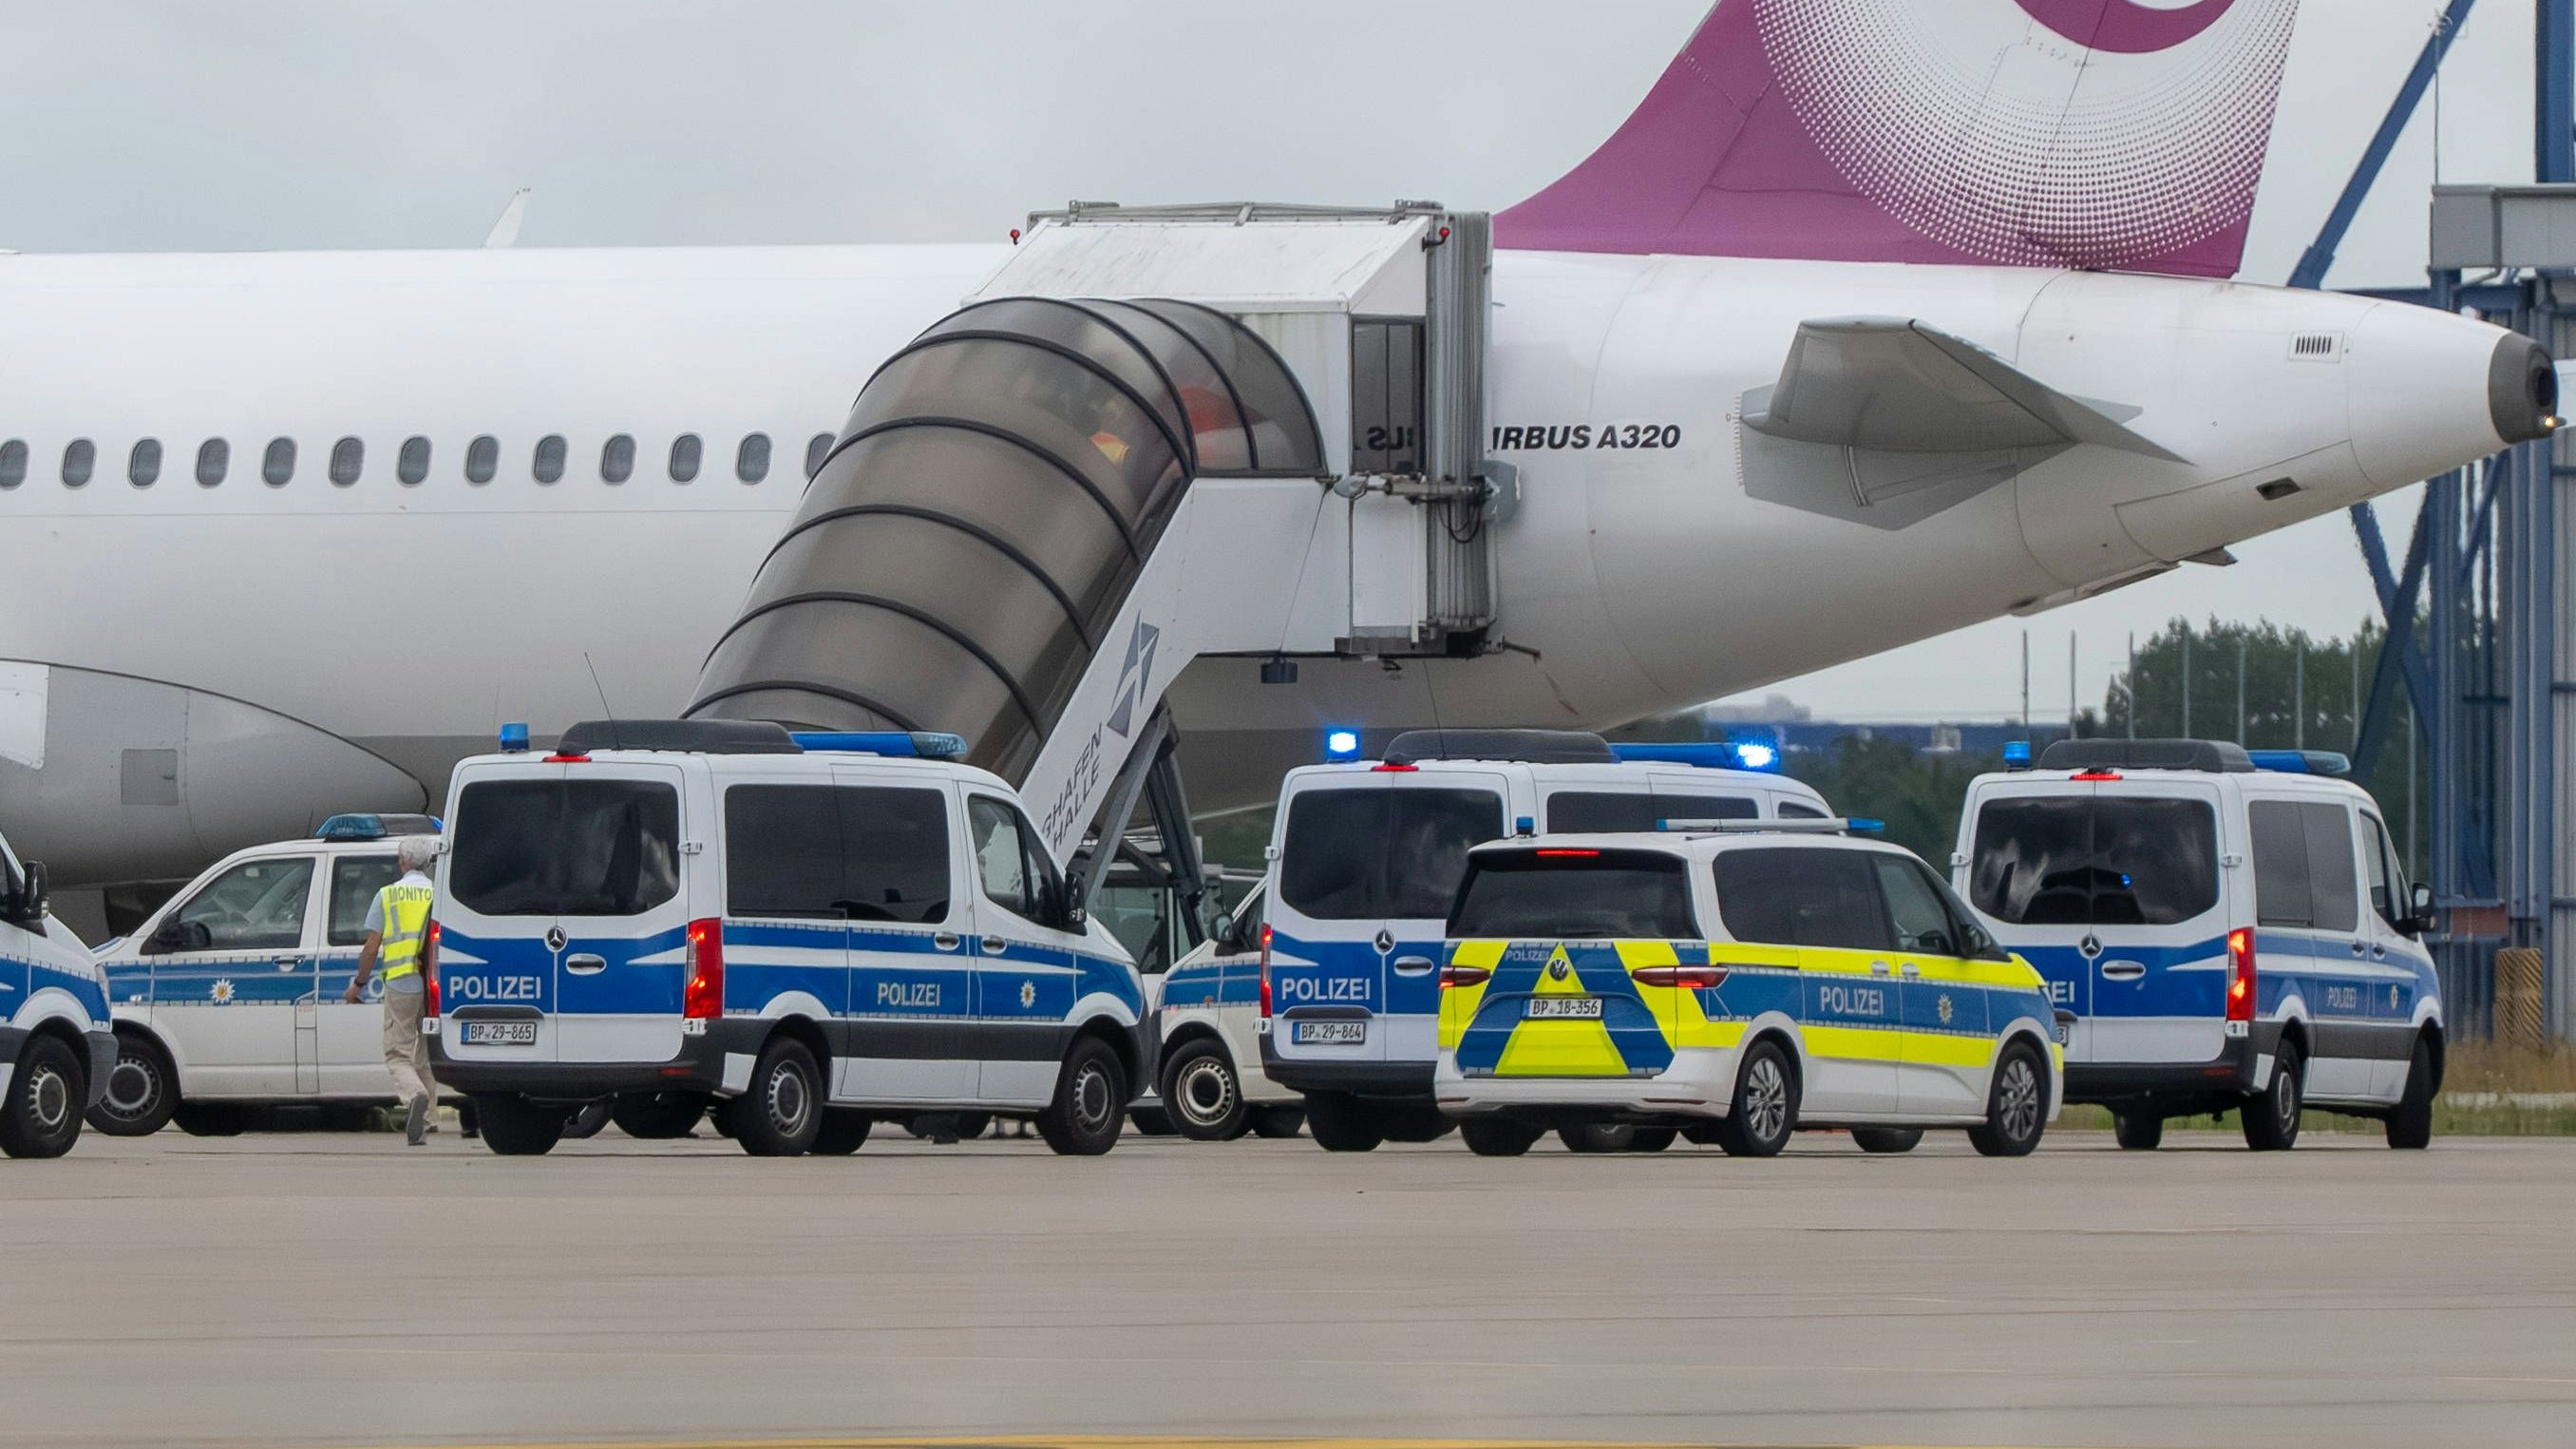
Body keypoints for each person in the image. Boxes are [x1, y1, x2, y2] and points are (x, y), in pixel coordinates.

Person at [346, 835, 440, 1145]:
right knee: (425, 1053)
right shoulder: (438, 894)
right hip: (432, 985)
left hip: (401, 982)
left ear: (402, 861)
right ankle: (430, 1119)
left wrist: (358, 984)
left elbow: (372, 947)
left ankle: (415, 1097)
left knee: (397, 1054)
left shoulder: (388, 895)